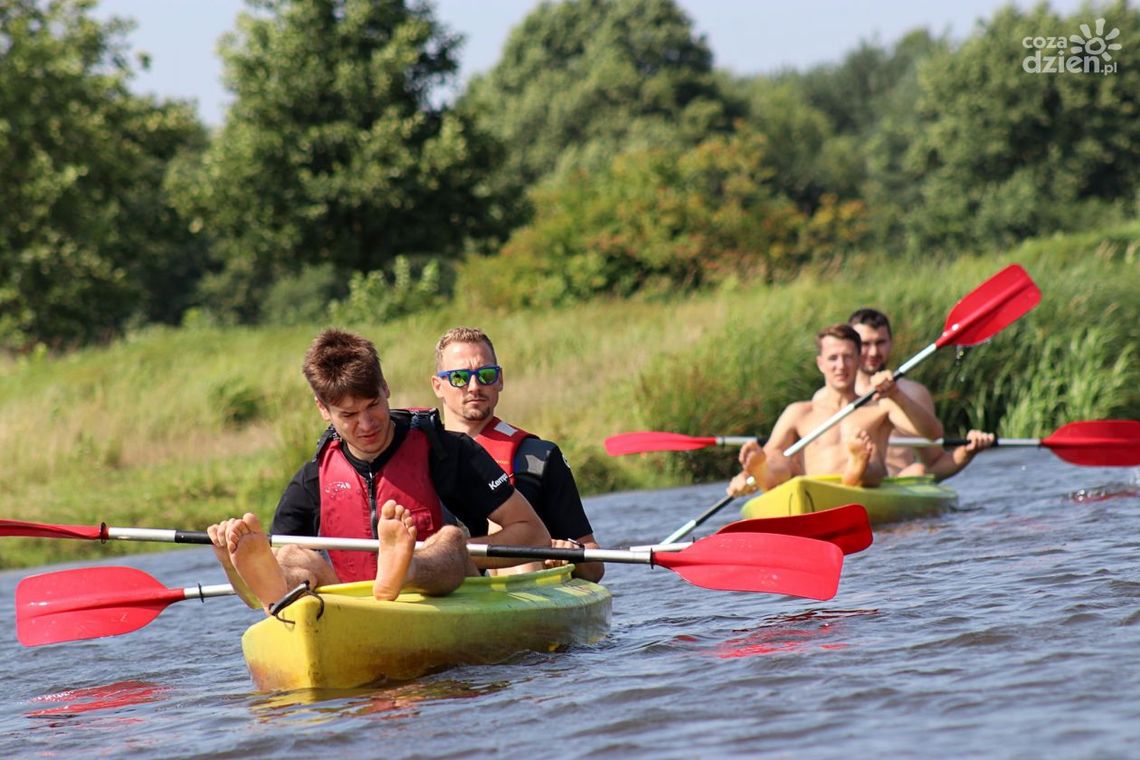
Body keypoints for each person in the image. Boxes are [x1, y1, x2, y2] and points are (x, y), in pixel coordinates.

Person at [208, 328, 551, 614]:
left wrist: (461, 550)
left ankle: (407, 568)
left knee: (449, 539)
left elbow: (533, 535)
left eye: (373, 405)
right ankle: (265, 579)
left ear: (385, 388)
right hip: (358, 609)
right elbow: (254, 602)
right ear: (323, 410)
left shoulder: (448, 452)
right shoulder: (313, 478)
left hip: (443, 598)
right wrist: (229, 560)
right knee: (293, 556)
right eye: (349, 415)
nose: (367, 424)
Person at [430, 327, 604, 583]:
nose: (474, 386)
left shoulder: (540, 457)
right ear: (438, 385)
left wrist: (571, 553)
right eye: (459, 378)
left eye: (486, 375)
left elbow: (595, 567)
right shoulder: (416, 456)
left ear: (500, 380)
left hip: (522, 588)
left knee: (512, 536)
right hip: (445, 582)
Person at [727, 323, 944, 497]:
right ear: (820, 363)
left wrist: (897, 394)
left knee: (873, 466)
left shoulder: (880, 407)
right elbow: (772, 451)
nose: (841, 366)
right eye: (833, 358)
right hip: (817, 491)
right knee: (777, 458)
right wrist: (746, 474)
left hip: (867, 488)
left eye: (848, 357)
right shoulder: (800, 412)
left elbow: (933, 434)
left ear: (859, 360)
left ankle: (857, 468)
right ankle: (762, 474)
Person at [847, 308, 995, 481]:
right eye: (865, 344)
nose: (873, 352)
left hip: (900, 488)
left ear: (891, 343)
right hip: (850, 484)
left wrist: (967, 452)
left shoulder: (913, 393)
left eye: (880, 342)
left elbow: (935, 464)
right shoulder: (826, 399)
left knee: (918, 470)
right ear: (852, 347)